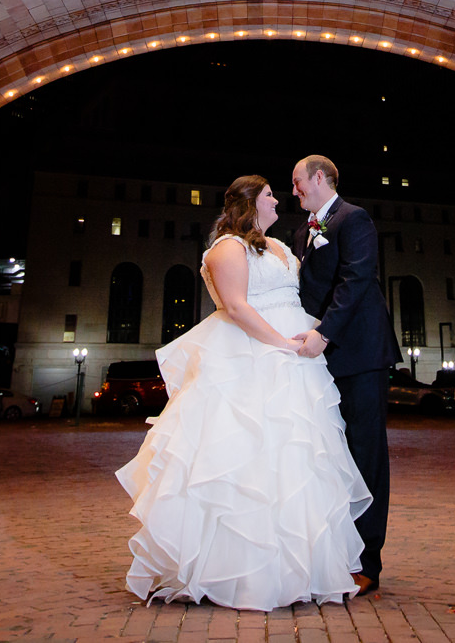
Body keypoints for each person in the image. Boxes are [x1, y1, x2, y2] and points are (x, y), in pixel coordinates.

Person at [116, 175, 371, 610]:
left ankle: (299, 568)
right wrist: (282, 344)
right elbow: (236, 307)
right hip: (251, 356)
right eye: (272, 193)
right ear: (252, 202)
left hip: (297, 364)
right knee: (244, 459)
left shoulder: (280, 248)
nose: (280, 199)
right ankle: (232, 572)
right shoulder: (227, 247)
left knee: (295, 460)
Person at [289, 154, 400, 593]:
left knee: (366, 455)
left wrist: (324, 335)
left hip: (361, 355)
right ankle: (337, 551)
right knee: (333, 459)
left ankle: (368, 563)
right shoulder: (301, 231)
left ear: (319, 178)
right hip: (324, 360)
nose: (293, 189)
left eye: (297, 182)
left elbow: (355, 280)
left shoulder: (355, 220)